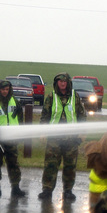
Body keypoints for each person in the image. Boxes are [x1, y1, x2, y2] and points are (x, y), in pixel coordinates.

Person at [38, 72, 86, 201]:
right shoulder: (51, 97)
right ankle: (47, 190)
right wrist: (42, 132)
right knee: (50, 165)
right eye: (60, 81)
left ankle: (68, 191)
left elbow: (82, 116)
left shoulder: (74, 97)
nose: (62, 83)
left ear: (68, 82)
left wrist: (82, 132)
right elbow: (45, 116)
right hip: (54, 138)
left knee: (70, 166)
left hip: (71, 138)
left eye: (64, 81)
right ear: (56, 83)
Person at [0, 80, 25, 199]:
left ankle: (15, 188)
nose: (5, 91)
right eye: (3, 89)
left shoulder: (15, 101)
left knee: (13, 163)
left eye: (7, 89)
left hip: (11, 137)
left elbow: (20, 118)